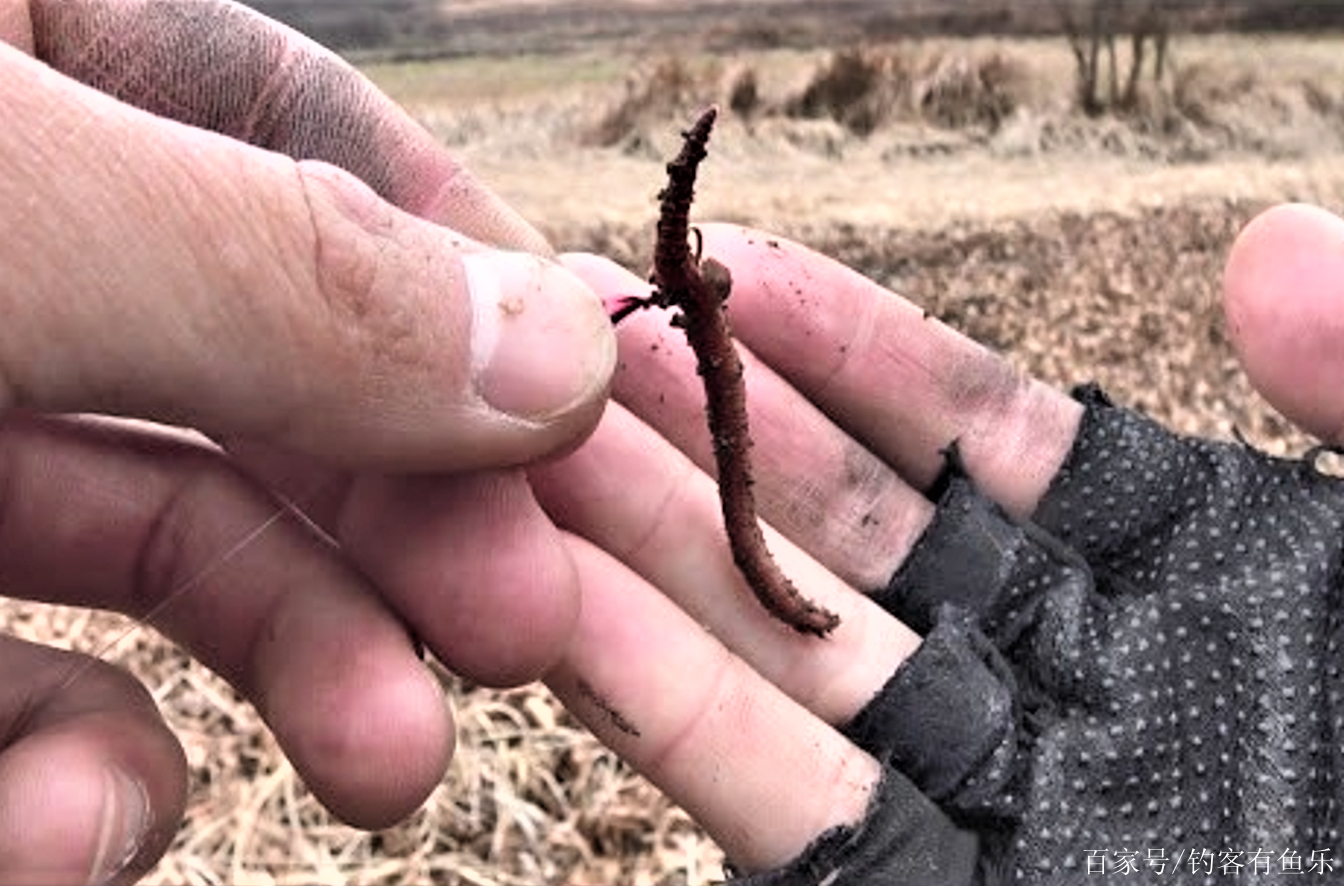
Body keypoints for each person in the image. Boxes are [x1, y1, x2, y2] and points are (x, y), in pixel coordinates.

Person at [4, 0, 1343, 883]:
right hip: (652, 375)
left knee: (738, 524)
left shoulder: (684, 292)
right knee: (714, 514)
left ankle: (787, 598)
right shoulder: (668, 294)